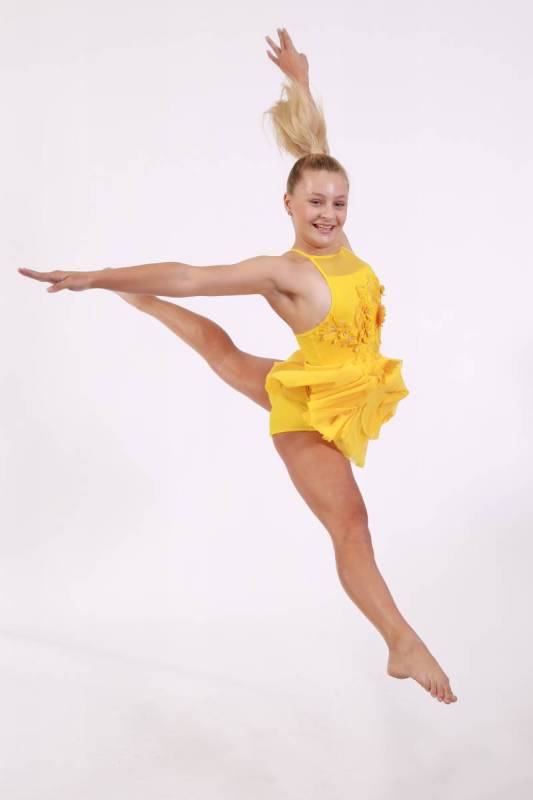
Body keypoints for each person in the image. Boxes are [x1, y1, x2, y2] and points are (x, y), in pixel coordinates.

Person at [18, 27, 457, 704]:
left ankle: (142, 305)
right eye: (315, 203)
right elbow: (192, 276)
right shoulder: (284, 271)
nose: (328, 214)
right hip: (308, 414)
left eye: (338, 203)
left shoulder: (339, 241)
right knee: (351, 525)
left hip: (327, 381)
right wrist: (97, 275)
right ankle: (400, 641)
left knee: (225, 358)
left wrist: (299, 81)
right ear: (288, 205)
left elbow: (312, 149)